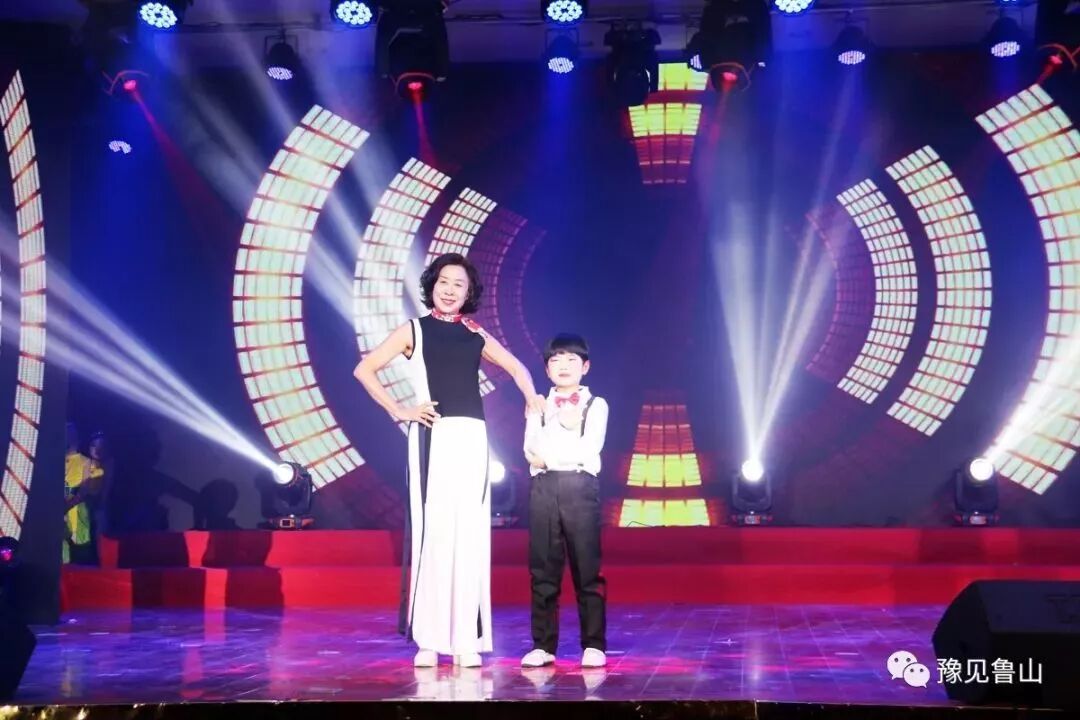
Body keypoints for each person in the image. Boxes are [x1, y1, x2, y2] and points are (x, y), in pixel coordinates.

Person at [353, 252, 545, 668]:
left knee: (470, 536)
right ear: (432, 285)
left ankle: (466, 640)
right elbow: (365, 369)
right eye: (444, 281)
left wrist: (532, 397)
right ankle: (429, 639)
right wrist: (400, 409)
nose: (450, 289)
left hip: (472, 438)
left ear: (469, 292)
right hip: (432, 435)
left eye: (459, 284)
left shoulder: (475, 332)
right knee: (433, 534)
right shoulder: (413, 330)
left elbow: (517, 368)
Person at [520, 333, 610, 668]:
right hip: (543, 488)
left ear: (585, 367)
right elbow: (530, 450)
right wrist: (547, 456)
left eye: (572, 359)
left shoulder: (596, 405)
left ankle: (593, 645)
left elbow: (589, 448)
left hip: (580, 486)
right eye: (556, 360)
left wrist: (550, 457)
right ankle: (543, 645)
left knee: (587, 568)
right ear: (546, 369)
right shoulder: (538, 405)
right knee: (543, 568)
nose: (563, 366)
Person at [64, 423, 104, 565]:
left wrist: (69, 504)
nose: (68, 438)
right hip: (61, 512)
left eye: (71, 434)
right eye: (65, 434)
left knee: (81, 551)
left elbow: (86, 489)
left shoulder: (86, 462)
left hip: (78, 510)